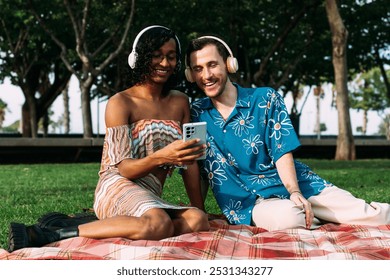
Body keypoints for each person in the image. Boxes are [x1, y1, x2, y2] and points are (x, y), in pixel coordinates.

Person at [7, 25, 209, 252]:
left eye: (171, 57)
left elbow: (190, 161)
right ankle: (49, 233)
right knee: (159, 224)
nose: (164, 63)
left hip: (150, 195)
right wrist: (162, 156)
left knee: (197, 221)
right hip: (117, 185)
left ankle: (97, 224)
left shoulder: (180, 101)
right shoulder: (120, 103)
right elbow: (124, 169)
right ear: (139, 58)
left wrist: (199, 209)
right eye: (156, 56)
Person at [184, 35, 390, 230]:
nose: (207, 75)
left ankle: (327, 216)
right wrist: (198, 210)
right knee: (292, 219)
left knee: (375, 216)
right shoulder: (195, 113)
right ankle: (321, 219)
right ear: (191, 75)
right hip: (249, 203)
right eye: (198, 69)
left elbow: (281, 150)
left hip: (301, 185)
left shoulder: (266, 99)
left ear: (229, 64)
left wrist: (294, 191)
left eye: (212, 65)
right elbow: (196, 166)